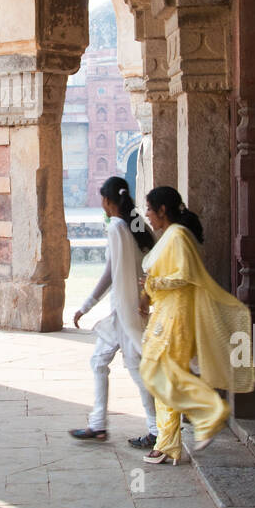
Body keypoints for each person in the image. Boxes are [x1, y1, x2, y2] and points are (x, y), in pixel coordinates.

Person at [137, 186, 254, 464]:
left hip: (177, 317)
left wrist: (153, 284)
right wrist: (148, 293)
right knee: (159, 373)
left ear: (163, 210)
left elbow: (185, 275)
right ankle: (173, 439)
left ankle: (204, 417)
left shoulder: (177, 236)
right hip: (166, 313)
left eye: (150, 209)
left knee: (162, 374)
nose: (148, 215)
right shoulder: (170, 236)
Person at [68, 175, 156, 444]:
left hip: (124, 311)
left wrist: (86, 305)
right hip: (130, 307)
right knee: (101, 361)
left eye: (102, 200)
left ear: (107, 200)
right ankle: (99, 424)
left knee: (134, 367)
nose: (102, 206)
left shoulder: (117, 227)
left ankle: (156, 430)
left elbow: (111, 272)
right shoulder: (136, 223)